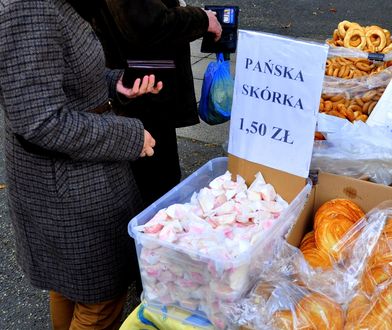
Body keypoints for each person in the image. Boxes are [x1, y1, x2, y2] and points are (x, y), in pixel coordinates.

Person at [0, 0, 162, 329]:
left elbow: (57, 74)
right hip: (66, 187)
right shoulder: (29, 9)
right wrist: (130, 136)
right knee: (100, 299)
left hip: (72, 179)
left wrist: (113, 84)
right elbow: (40, 122)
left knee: (72, 285)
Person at [86, 0, 223, 207]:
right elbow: (148, 24)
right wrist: (202, 19)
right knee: (156, 187)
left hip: (136, 83)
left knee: (152, 180)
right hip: (142, 88)